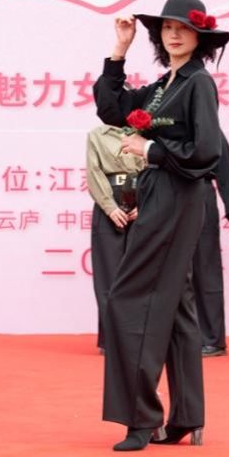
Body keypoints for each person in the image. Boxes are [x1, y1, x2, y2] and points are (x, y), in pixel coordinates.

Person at [93, 0, 229, 451]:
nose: (173, 34)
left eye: (183, 28)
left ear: (200, 37)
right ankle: (187, 415)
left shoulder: (198, 83)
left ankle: (141, 419)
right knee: (175, 306)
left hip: (178, 195)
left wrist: (150, 150)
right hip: (160, 193)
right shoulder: (162, 85)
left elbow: (207, 150)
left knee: (129, 300)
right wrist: (120, 49)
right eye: (167, 28)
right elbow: (111, 108)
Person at [85, 124, 145, 353]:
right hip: (108, 204)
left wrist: (145, 202)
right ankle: (110, 339)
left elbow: (155, 168)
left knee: (140, 276)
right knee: (108, 277)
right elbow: (94, 172)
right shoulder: (96, 135)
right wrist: (110, 207)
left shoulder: (145, 132)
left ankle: (136, 336)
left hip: (141, 204)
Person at [194, 133, 229, 358]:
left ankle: (212, 339)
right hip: (168, 195)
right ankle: (178, 336)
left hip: (200, 193)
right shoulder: (166, 123)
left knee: (206, 269)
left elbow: (224, 169)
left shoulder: (210, 129)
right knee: (171, 271)